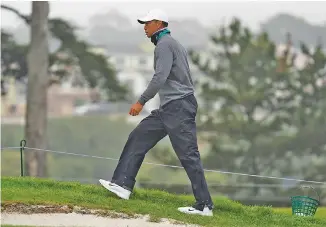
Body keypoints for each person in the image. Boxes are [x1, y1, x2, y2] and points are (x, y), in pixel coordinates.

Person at [99, 8, 214, 217]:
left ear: (160, 23)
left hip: (179, 107)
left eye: (148, 23)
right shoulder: (171, 44)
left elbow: (160, 77)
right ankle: (123, 185)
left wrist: (140, 102)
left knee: (188, 155)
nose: (144, 27)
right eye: (144, 24)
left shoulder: (164, 45)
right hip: (169, 108)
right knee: (138, 137)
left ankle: (204, 206)